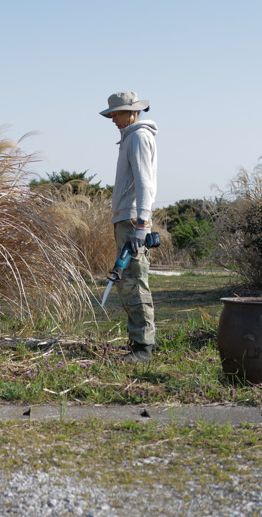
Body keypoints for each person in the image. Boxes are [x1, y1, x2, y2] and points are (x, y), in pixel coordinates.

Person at [100, 91, 158, 363]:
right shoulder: (129, 137)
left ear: (133, 112)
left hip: (134, 220)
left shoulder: (138, 137)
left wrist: (142, 224)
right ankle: (139, 342)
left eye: (118, 113)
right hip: (127, 219)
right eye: (111, 114)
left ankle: (143, 348)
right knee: (127, 282)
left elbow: (146, 183)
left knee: (134, 282)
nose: (114, 119)